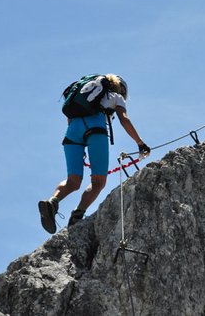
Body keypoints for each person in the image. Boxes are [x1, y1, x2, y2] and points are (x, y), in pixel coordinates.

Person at [38, 74, 150, 234]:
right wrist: (140, 143)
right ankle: (77, 216)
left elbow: (70, 118)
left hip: (72, 132)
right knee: (98, 181)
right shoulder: (116, 96)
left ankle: (52, 202)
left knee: (73, 181)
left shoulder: (82, 95)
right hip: (95, 130)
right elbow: (124, 119)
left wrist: (80, 145)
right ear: (121, 89)